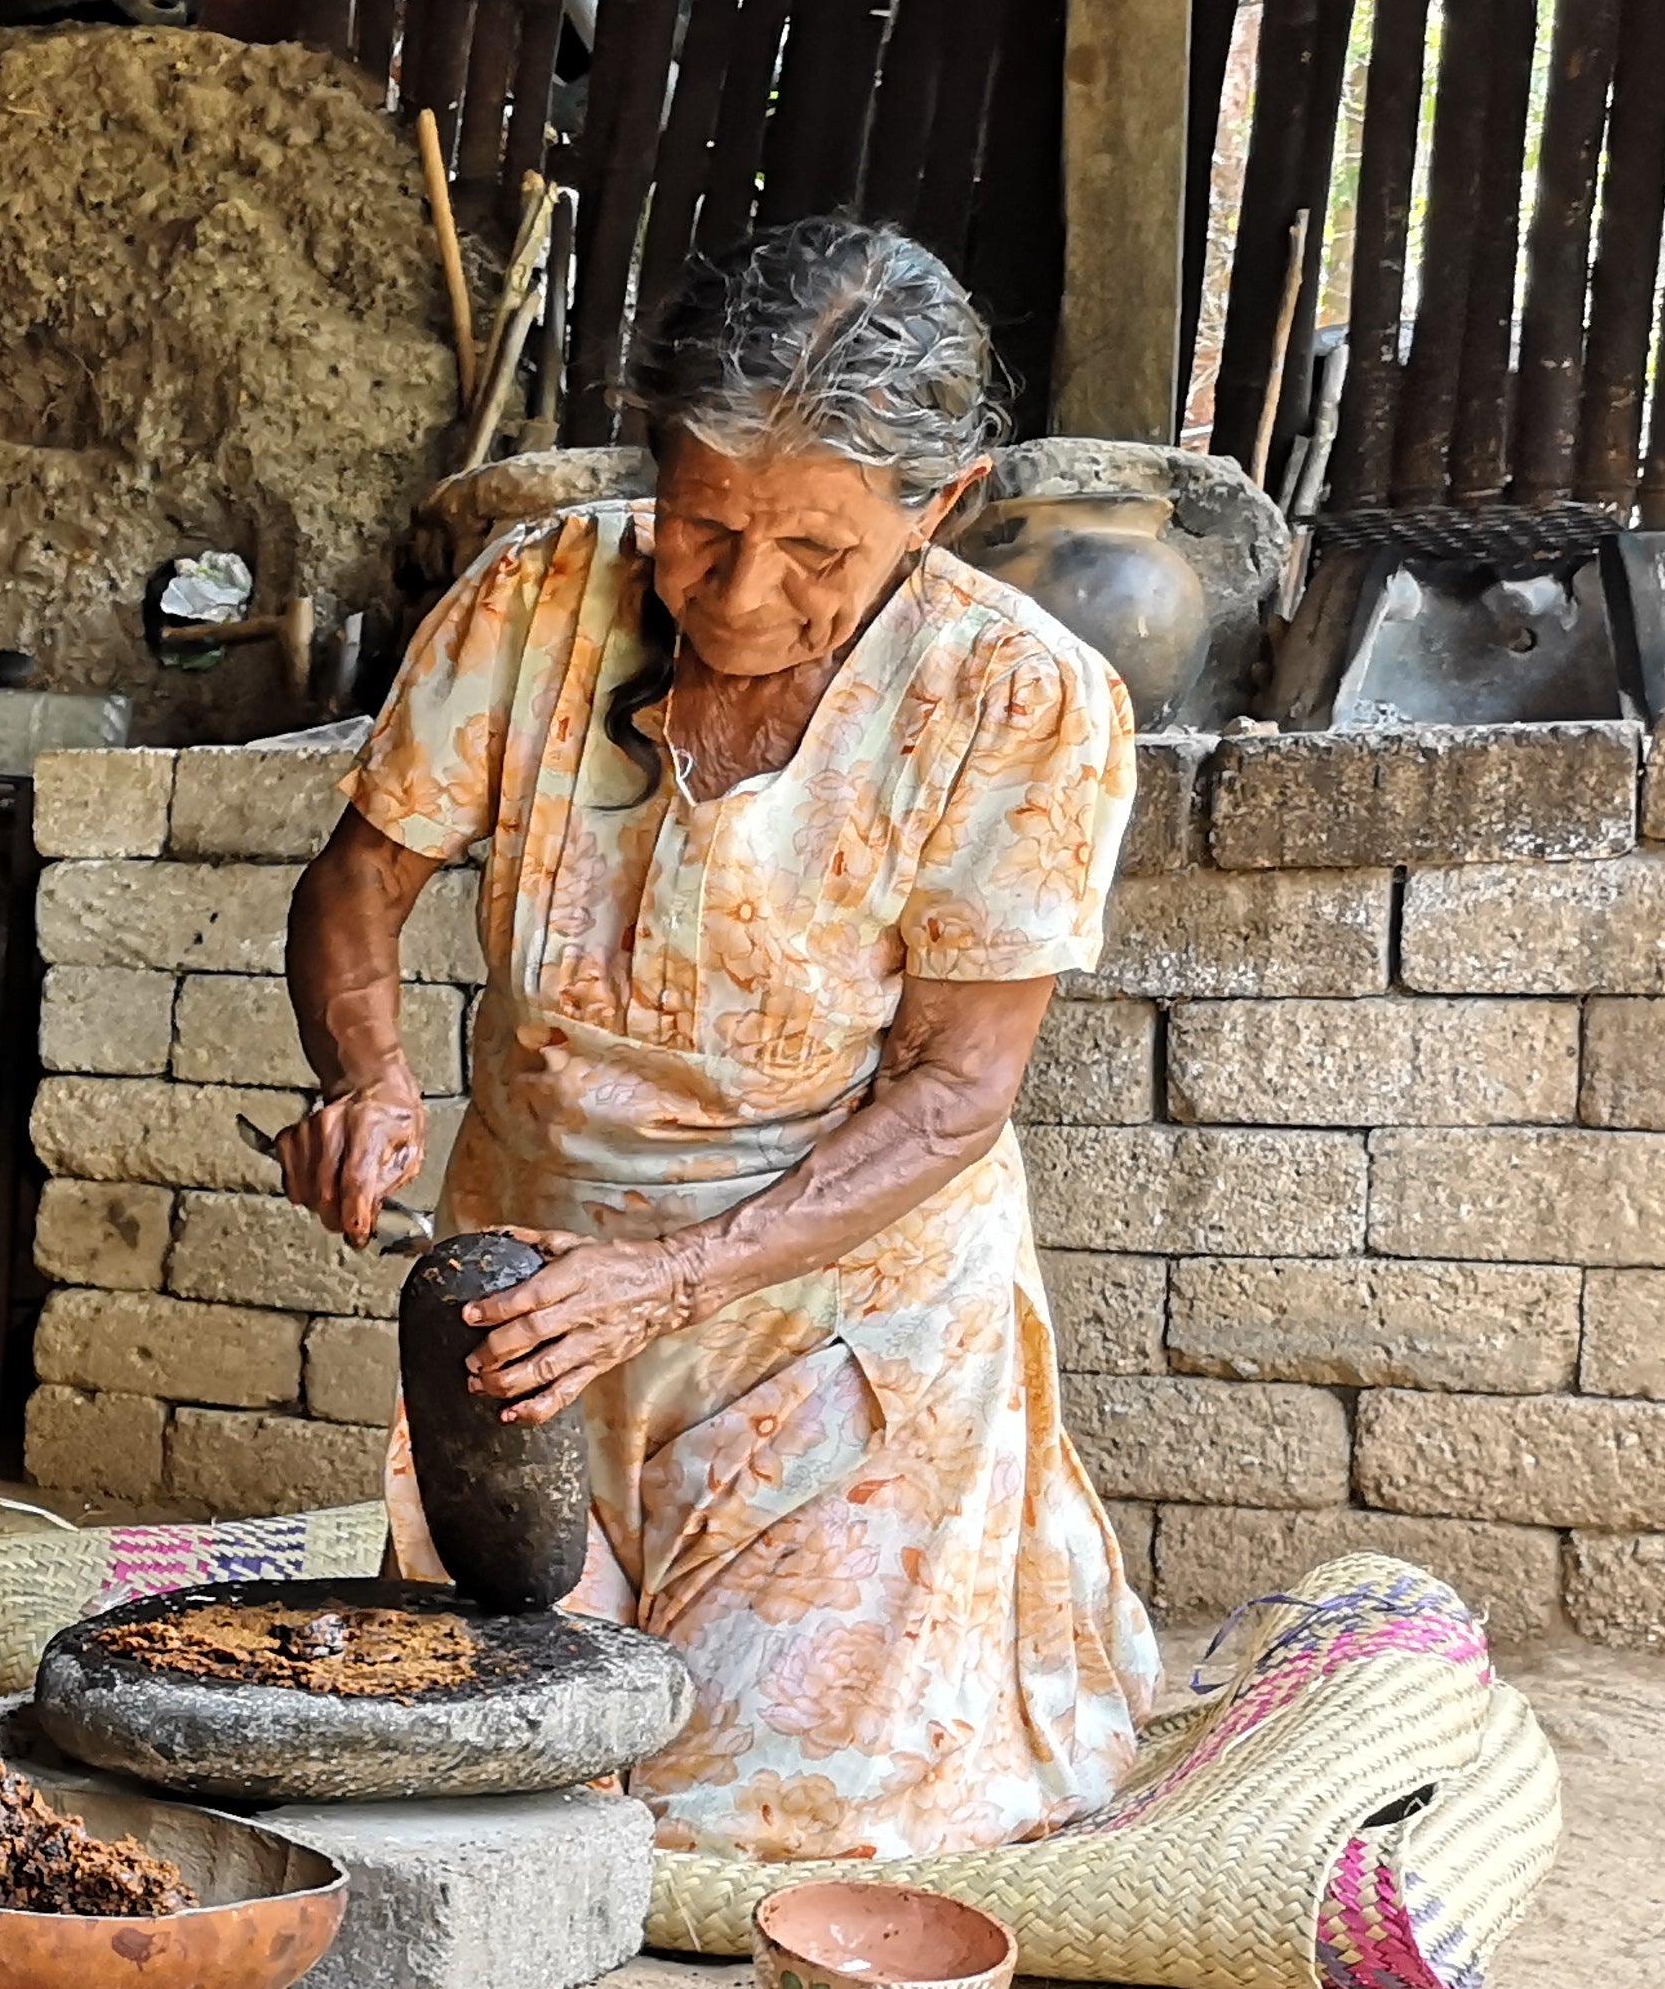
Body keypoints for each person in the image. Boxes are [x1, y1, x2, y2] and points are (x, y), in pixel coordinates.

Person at [272, 214, 1160, 1862]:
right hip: (536, 1313)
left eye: (819, 552)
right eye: (701, 529)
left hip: (833, 1319)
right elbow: (358, 882)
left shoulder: (1015, 700)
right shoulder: (543, 595)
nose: (744, 595)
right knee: (507, 1766)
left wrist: (675, 1281)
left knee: (770, 1819)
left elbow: (960, 1092)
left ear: (942, 504)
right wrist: (365, 1072)